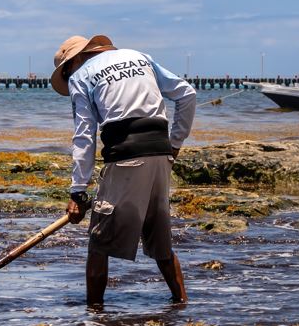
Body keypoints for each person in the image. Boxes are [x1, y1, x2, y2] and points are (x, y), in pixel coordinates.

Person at [51, 34, 198, 308]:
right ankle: (181, 304)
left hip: (126, 155)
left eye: (66, 70)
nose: (69, 76)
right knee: (160, 238)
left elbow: (84, 136)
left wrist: (77, 191)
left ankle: (95, 315)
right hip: (160, 152)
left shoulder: (80, 76)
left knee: (98, 243)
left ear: (75, 61)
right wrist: (176, 142)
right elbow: (187, 94)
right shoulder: (139, 56)